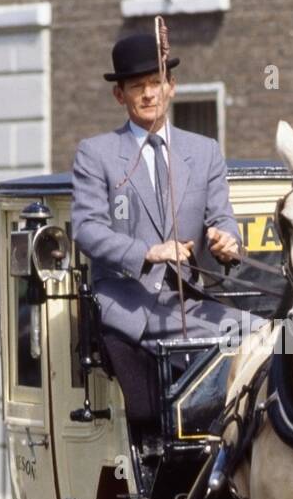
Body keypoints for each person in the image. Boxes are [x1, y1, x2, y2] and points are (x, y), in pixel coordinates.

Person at [71, 32, 245, 426]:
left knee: (269, 337)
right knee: (152, 411)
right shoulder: (95, 154)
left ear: (172, 87)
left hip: (189, 307)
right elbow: (86, 229)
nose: (149, 94)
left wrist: (227, 242)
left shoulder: (205, 152)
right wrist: (147, 252)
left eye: (156, 83)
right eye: (137, 86)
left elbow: (222, 217)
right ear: (120, 96)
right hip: (127, 309)